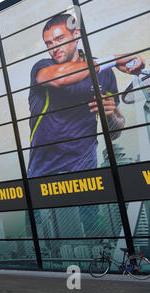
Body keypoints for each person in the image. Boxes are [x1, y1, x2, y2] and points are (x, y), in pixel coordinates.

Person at [27, 13, 145, 178]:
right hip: (45, 175)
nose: (54, 48)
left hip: (86, 172)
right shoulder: (42, 68)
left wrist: (110, 115)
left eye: (60, 39)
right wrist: (115, 59)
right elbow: (61, 77)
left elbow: (115, 132)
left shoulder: (104, 73)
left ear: (76, 35)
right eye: (49, 43)